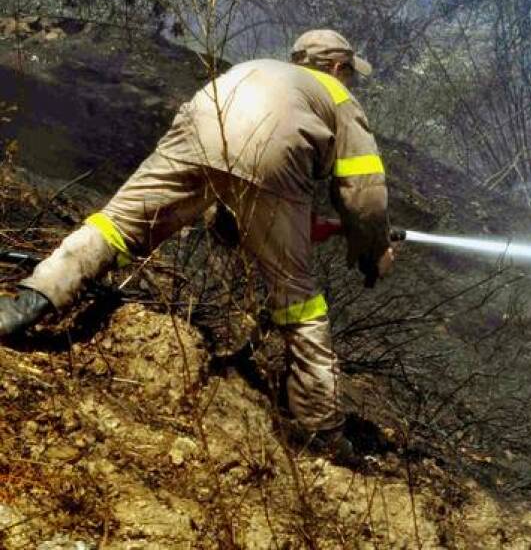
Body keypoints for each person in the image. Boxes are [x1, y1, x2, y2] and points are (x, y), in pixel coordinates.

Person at [0, 29, 392, 465]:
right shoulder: (337, 96)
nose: (351, 81)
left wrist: (241, 216)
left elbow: (227, 165)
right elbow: (366, 195)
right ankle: (321, 428)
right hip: (272, 161)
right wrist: (373, 251)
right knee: (297, 300)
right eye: (350, 73)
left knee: (117, 224)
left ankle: (29, 302)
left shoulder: (257, 68)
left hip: (199, 125)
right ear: (337, 67)